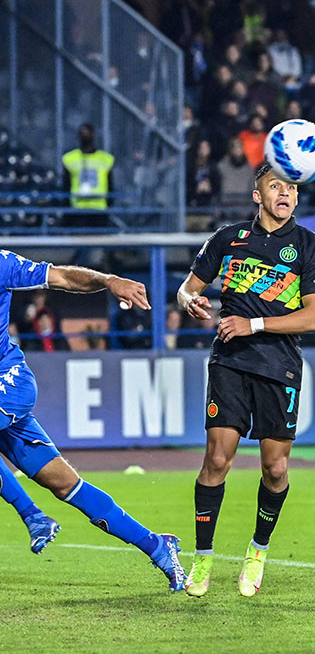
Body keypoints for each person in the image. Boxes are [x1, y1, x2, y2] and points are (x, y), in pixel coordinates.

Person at [176, 162, 315, 598]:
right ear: (257, 195)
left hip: (279, 366)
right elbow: (188, 287)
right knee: (217, 460)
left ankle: (258, 550)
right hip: (229, 361)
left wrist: (254, 324)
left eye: (292, 188)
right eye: (275, 186)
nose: (285, 194)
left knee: (275, 468)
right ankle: (203, 557)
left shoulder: (308, 246)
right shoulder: (228, 238)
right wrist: (191, 299)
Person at [0, 250, 184, 590]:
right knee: (64, 483)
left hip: (8, 381)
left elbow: (63, 276)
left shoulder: (2, 264)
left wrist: (109, 280)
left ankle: (32, 514)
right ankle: (157, 545)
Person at [62, 123, 114, 228]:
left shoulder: (105, 159)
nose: (85, 136)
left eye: (88, 133)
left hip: (99, 209)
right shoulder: (70, 158)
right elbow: (66, 186)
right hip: (78, 209)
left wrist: (108, 206)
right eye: (83, 133)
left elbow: (111, 186)